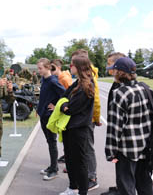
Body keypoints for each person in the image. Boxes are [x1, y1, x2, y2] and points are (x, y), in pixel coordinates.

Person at [105, 57, 153, 195]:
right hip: (146, 147)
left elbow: (114, 128)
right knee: (145, 183)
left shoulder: (119, 94)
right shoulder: (146, 88)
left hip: (127, 149)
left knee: (126, 186)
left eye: (114, 70)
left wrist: (110, 152)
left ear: (119, 73)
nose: (113, 73)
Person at [59, 55, 95, 195]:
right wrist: (64, 104)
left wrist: (64, 106)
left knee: (80, 162)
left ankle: (82, 191)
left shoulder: (87, 85)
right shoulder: (77, 83)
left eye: (72, 64)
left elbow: (71, 108)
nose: (70, 67)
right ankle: (72, 187)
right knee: (70, 159)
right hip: (70, 127)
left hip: (79, 129)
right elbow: (64, 96)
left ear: (79, 67)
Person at [70, 49, 102, 191]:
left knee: (87, 148)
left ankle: (92, 177)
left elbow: (96, 100)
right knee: (84, 148)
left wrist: (96, 117)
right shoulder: (84, 75)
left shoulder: (89, 77)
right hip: (86, 118)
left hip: (87, 119)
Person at [101, 52, 126, 195]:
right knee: (119, 163)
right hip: (116, 129)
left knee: (123, 163)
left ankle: (122, 189)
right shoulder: (116, 83)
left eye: (109, 63)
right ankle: (119, 186)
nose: (107, 66)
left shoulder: (122, 87)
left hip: (123, 133)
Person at [36, 58, 65, 180]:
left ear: (48, 67)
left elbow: (65, 94)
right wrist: (39, 109)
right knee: (49, 141)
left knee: (52, 142)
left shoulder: (53, 81)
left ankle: (54, 169)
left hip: (49, 117)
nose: (38, 71)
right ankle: (52, 166)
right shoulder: (44, 79)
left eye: (40, 68)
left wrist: (56, 106)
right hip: (43, 115)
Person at [50, 59, 73, 171]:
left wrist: (59, 107)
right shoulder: (59, 78)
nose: (50, 70)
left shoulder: (64, 79)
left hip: (66, 113)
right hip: (63, 112)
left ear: (58, 68)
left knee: (69, 141)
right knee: (65, 140)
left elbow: (70, 96)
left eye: (52, 68)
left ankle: (71, 163)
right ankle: (67, 158)